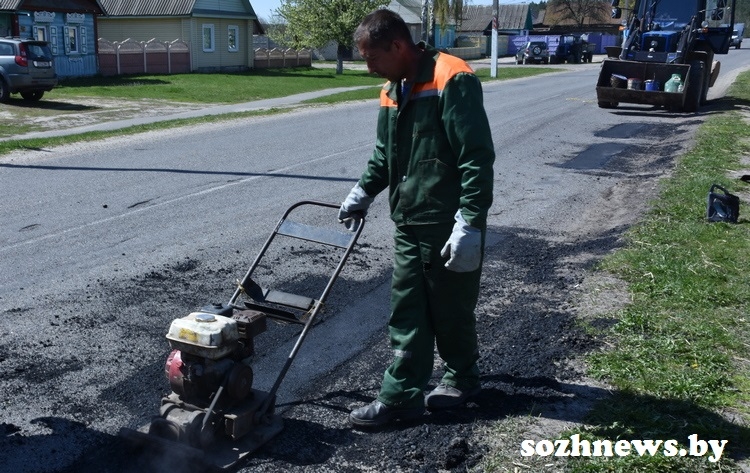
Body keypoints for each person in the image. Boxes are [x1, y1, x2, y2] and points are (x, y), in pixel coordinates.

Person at [338, 9, 495, 428]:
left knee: (452, 308)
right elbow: (385, 154)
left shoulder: (452, 78)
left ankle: (462, 377)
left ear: (397, 45)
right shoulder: (392, 90)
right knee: (408, 308)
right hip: (408, 220)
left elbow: (475, 157)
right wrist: (362, 193)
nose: (368, 67)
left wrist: (470, 222)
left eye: (372, 57)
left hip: (446, 220)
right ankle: (403, 395)